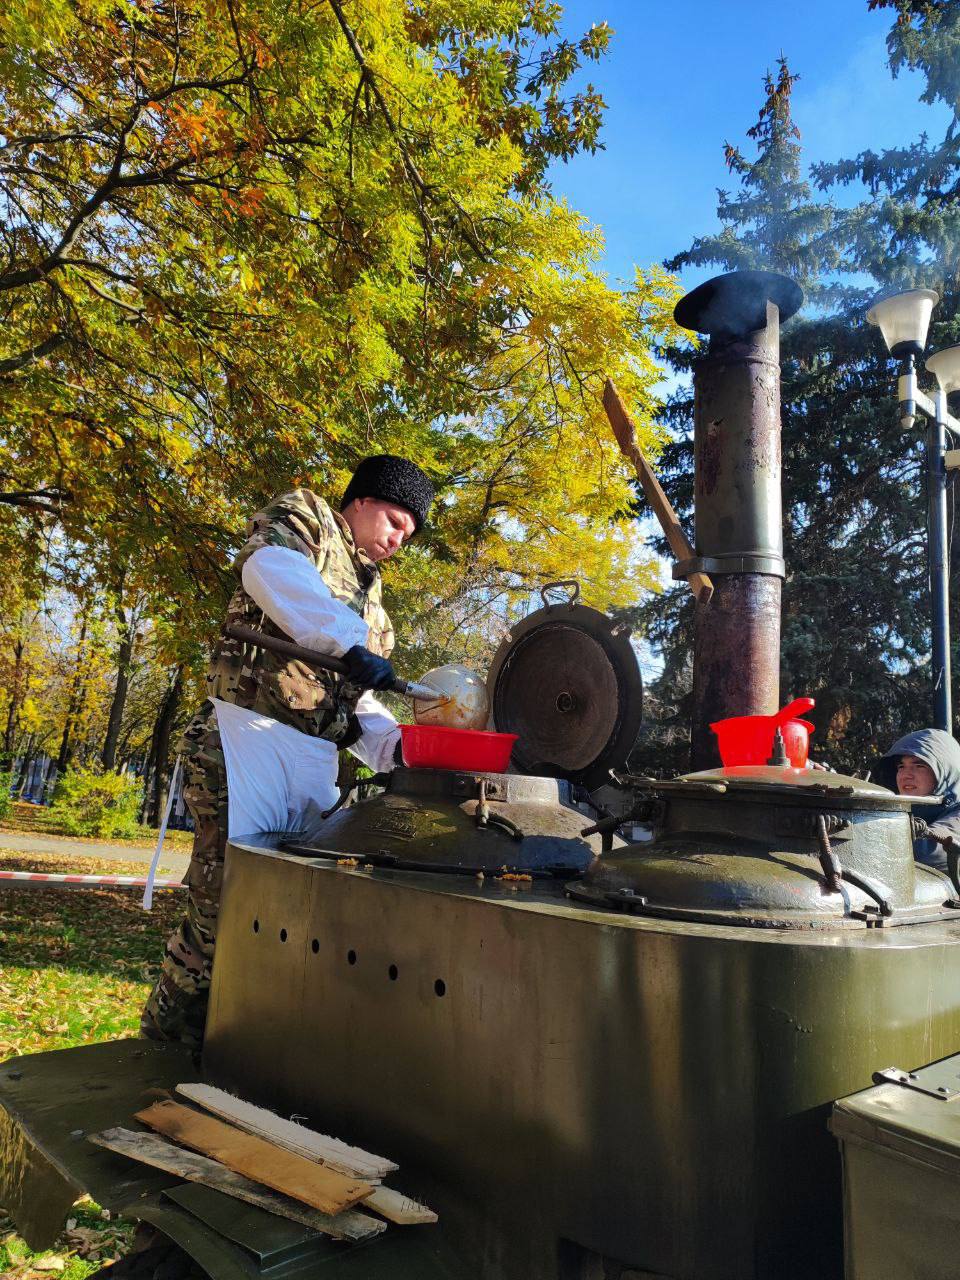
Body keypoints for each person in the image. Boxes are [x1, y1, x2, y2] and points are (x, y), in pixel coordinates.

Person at [141, 454, 435, 1049]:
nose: (399, 540)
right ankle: (163, 1050)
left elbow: (356, 703)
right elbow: (268, 569)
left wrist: (396, 749)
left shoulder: (376, 612)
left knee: (287, 923)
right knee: (224, 913)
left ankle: (247, 1056)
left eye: (409, 534)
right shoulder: (308, 518)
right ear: (362, 501)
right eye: (395, 521)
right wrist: (346, 643)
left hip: (312, 764)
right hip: (247, 740)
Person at [874, 729, 960, 872]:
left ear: (946, 772)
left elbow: (926, 851)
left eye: (919, 766)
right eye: (901, 767)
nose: (905, 775)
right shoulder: (896, 812)